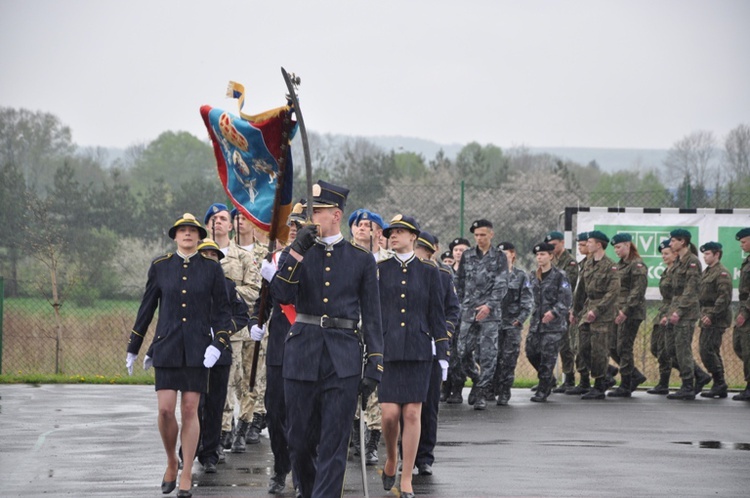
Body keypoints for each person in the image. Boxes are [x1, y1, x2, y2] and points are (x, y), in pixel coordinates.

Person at [270, 180, 384, 498]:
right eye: (309, 213)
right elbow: (280, 294)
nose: (310, 219)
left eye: (316, 213)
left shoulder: (361, 261)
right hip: (302, 353)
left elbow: (373, 317)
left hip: (343, 357)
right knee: (300, 440)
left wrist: (375, 362)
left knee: (334, 442)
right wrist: (296, 252)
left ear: (335, 214)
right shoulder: (298, 254)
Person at [125, 213, 232, 498]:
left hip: (198, 348)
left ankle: (186, 472)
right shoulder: (161, 266)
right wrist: (134, 346)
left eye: (192, 231)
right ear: (175, 236)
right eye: (182, 231)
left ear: (199, 236)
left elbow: (223, 310)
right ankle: (172, 460)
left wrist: (218, 343)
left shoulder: (211, 267)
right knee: (164, 409)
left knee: (189, 409)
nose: (187, 234)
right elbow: (146, 308)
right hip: (168, 345)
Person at [378, 216, 448, 497]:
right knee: (390, 414)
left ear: (413, 237)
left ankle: (406, 476)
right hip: (389, 348)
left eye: (399, 232)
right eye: (391, 233)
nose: (393, 236)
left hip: (419, 350)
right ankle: (392, 458)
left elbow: (437, 314)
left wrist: (442, 352)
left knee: (412, 412)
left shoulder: (430, 272)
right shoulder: (380, 270)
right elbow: (372, 313)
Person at [248, 202, 306, 494]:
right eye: (291, 225)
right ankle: (281, 465)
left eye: (299, 225)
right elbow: (264, 301)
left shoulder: (317, 260)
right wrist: (253, 322)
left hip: (306, 347)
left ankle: (301, 470)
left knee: (303, 415)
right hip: (279, 349)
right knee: (275, 413)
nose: (293, 229)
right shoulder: (275, 258)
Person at [204, 203, 261, 453]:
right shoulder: (199, 255)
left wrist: (224, 293)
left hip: (236, 331)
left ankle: (242, 424)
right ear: (207, 225)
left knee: (242, 382)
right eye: (213, 218)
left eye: (223, 218)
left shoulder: (243, 257)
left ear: (230, 225)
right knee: (218, 386)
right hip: (205, 332)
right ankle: (222, 431)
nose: (217, 222)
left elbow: (254, 291)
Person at [193, 239, 249, 473]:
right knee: (194, 403)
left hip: (220, 351)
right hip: (195, 350)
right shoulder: (189, 284)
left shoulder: (227, 285)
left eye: (213, 256)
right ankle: (191, 446)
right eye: (204, 255)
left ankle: (210, 452)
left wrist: (224, 330)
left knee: (216, 403)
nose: (209, 259)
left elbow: (242, 314)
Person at [413, 230, 459, 476]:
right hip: (408, 347)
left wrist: (445, 335)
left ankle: (425, 457)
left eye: (423, 253)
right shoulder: (404, 273)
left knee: (429, 405)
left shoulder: (442, 275)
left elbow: (452, 310)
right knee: (406, 406)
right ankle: (405, 454)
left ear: (431, 253)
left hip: (431, 346)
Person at [348, 208, 391, 464]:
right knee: (351, 383)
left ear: (378, 231)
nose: (362, 228)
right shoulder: (346, 258)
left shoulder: (388, 261)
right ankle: (355, 435)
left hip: (378, 331)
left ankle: (372, 441)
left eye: (368, 224)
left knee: (374, 388)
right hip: (351, 329)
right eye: (358, 224)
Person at [456, 221, 508, 410]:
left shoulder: (499, 257)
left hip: (490, 314)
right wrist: (463, 303)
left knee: (488, 355)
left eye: (483, 235)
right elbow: (459, 281)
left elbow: (502, 284)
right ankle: (477, 379)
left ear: (491, 235)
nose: (479, 238)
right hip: (469, 312)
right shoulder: (467, 255)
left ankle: (481, 392)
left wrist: (489, 306)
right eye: (476, 235)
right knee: (461, 352)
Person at [571, 230, 619, 400]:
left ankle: (599, 385)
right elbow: (581, 290)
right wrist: (575, 311)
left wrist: (597, 310)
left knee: (599, 349)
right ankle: (606, 374)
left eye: (590, 242)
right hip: (587, 309)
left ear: (599, 245)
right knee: (583, 348)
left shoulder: (611, 266)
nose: (587, 244)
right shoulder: (588, 263)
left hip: (603, 313)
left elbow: (612, 293)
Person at [665, 229, 711, 400]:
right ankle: (700, 375)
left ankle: (687, 385)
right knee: (671, 349)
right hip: (675, 308)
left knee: (682, 349)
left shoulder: (692, 262)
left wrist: (679, 311)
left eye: (673, 241)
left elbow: (691, 290)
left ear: (682, 242)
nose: (670, 244)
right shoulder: (678, 261)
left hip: (686, 311)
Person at [526, 242, 573, 402]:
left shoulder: (560, 275)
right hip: (536, 324)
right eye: (538, 255)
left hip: (553, 326)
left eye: (543, 254)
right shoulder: (533, 275)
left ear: (551, 256)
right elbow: (527, 295)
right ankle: (549, 379)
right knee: (531, 352)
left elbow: (566, 298)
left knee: (548, 357)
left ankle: (543, 388)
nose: (539, 257)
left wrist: (554, 312)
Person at [607, 233, 648, 397]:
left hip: (631, 312)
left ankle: (626, 383)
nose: (616, 250)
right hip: (618, 311)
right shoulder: (621, 265)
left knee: (624, 346)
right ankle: (635, 375)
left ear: (628, 245)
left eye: (618, 247)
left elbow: (637, 291)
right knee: (612, 346)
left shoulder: (637, 265)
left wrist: (626, 310)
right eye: (615, 247)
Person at [493, 242, 533, 405]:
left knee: (509, 359)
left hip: (511, 325)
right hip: (493, 324)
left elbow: (527, 301)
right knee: (490, 358)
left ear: (513, 255)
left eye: (506, 253)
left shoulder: (521, 276)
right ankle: (491, 387)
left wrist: (520, 320)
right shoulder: (491, 275)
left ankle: (504, 391)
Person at [544, 231, 579, 393]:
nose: (552, 248)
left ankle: (569, 378)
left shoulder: (569, 263)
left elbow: (568, 285)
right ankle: (548, 379)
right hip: (550, 307)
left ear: (562, 243)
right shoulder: (552, 261)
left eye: (554, 244)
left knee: (565, 345)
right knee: (549, 345)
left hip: (563, 307)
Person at [697, 242, 732, 399]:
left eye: (708, 254)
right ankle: (720, 384)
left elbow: (724, 297)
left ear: (717, 254)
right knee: (709, 349)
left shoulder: (721, 273)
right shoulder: (707, 272)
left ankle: (719, 383)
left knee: (707, 349)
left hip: (716, 317)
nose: (705, 257)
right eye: (704, 254)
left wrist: (711, 315)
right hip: (706, 315)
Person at [444, 236, 473, 403]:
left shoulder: (474, 271)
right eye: (456, 250)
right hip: (449, 318)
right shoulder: (446, 271)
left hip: (467, 320)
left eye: (462, 250)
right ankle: (446, 386)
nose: (459, 253)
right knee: (447, 353)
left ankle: (458, 387)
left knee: (461, 356)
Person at [647, 239, 677, 395]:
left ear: (675, 254)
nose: (663, 257)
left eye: (666, 253)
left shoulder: (678, 271)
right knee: (655, 348)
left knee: (666, 350)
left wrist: (668, 314)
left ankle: (664, 383)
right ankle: (698, 374)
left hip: (672, 313)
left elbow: (677, 296)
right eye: (662, 254)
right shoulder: (667, 271)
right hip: (663, 311)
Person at [565, 231, 593, 395]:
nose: (581, 247)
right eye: (580, 245)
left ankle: (589, 379)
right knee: (577, 345)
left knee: (582, 346)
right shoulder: (584, 264)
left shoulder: (592, 264)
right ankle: (585, 380)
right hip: (579, 309)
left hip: (588, 310)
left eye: (583, 244)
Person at [733, 228, 750, 401]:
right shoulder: (747, 260)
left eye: (744, 241)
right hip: (744, 307)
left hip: (748, 310)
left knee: (748, 349)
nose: (741, 245)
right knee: (738, 345)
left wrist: (744, 312)